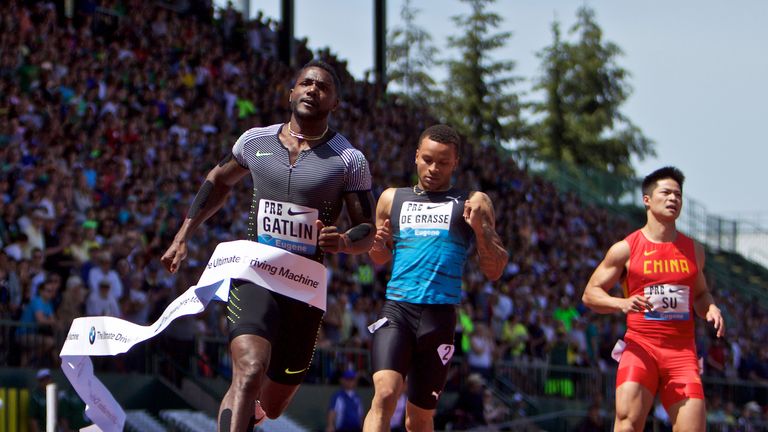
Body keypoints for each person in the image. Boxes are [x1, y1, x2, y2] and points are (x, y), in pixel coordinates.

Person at [161, 60, 375, 432]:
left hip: (304, 290)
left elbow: (367, 231)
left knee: (273, 404)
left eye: (322, 87)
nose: (312, 90)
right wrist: (183, 235)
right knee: (247, 372)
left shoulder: (348, 160)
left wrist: (342, 242)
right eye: (305, 83)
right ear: (290, 93)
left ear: (335, 103)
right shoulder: (254, 141)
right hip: (255, 273)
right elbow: (218, 180)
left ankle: (249, 417)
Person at [362, 125, 508, 432]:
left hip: (439, 317)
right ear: (416, 156)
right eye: (427, 159)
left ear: (455, 163)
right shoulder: (391, 198)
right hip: (398, 310)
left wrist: (480, 231)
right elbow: (379, 258)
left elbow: (495, 270)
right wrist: (379, 243)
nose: (433, 168)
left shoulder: (472, 201)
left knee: (419, 418)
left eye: (443, 162)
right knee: (385, 395)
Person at [582, 166, 725, 432]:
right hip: (640, 347)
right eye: (666, 193)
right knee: (627, 424)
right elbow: (590, 294)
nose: (673, 199)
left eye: (678, 195)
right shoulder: (626, 248)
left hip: (682, 354)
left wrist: (711, 308)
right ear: (647, 199)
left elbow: (701, 294)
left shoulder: (694, 250)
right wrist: (622, 303)